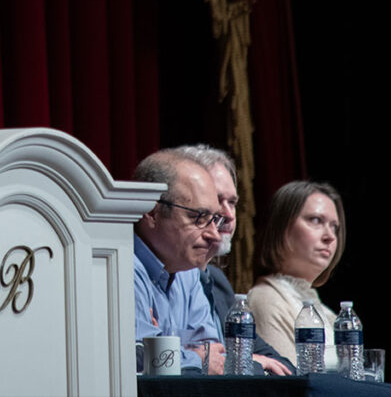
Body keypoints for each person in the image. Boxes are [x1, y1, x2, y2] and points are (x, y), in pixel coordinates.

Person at [175, 145, 294, 376]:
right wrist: (246, 361)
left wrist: (247, 361)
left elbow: (276, 361)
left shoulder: (216, 280)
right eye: (217, 200)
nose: (228, 214)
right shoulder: (168, 274)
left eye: (233, 202)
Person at [133, 150, 226, 374]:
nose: (215, 235)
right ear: (152, 213)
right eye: (199, 218)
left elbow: (215, 352)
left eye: (215, 219)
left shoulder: (188, 272)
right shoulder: (121, 269)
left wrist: (182, 357)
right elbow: (138, 358)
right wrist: (195, 358)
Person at [247, 181, 346, 370]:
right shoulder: (267, 299)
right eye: (316, 220)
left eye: (334, 227)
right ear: (280, 227)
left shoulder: (326, 313)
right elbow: (291, 385)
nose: (330, 236)